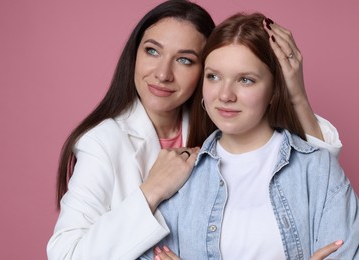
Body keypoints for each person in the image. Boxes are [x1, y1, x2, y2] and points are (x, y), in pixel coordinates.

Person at [47, 1, 343, 259]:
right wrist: (151, 191)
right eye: (152, 51)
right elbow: (65, 254)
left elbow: (315, 175)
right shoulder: (103, 142)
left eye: (185, 60)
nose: (163, 74)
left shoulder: (225, 121)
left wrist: (295, 94)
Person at [143, 12, 359, 260]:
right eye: (213, 76)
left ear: (274, 89)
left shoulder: (319, 170)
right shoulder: (179, 176)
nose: (225, 95)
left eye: (245, 80)